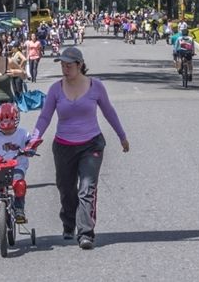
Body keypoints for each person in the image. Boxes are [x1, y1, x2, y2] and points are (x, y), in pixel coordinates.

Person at [31, 47, 129, 250]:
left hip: (91, 144)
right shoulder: (56, 89)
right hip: (63, 146)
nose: (65, 69)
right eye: (62, 65)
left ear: (80, 65)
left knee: (86, 188)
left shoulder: (95, 87)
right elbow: (45, 116)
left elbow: (109, 111)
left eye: (69, 65)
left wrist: (122, 136)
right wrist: (35, 137)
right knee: (66, 189)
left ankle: (86, 233)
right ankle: (69, 223)